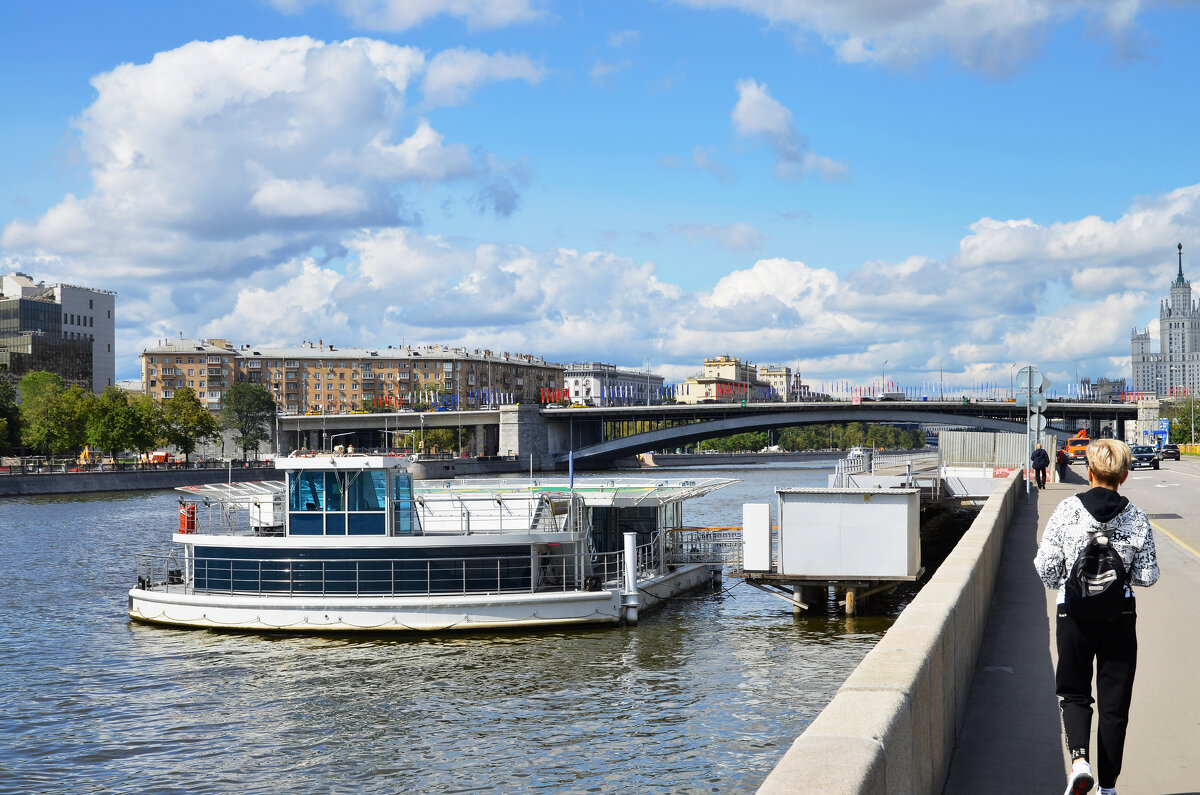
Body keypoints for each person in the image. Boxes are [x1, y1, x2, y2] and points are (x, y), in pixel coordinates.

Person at [1033, 438, 1159, 795]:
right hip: (1119, 617)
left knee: (1074, 694)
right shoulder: (1136, 516)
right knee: (1114, 705)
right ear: (1125, 475)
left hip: (1072, 614)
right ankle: (1108, 788)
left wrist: (1073, 582)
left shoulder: (1066, 510)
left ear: (1088, 471)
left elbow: (1045, 568)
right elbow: (1148, 576)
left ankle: (1079, 763)